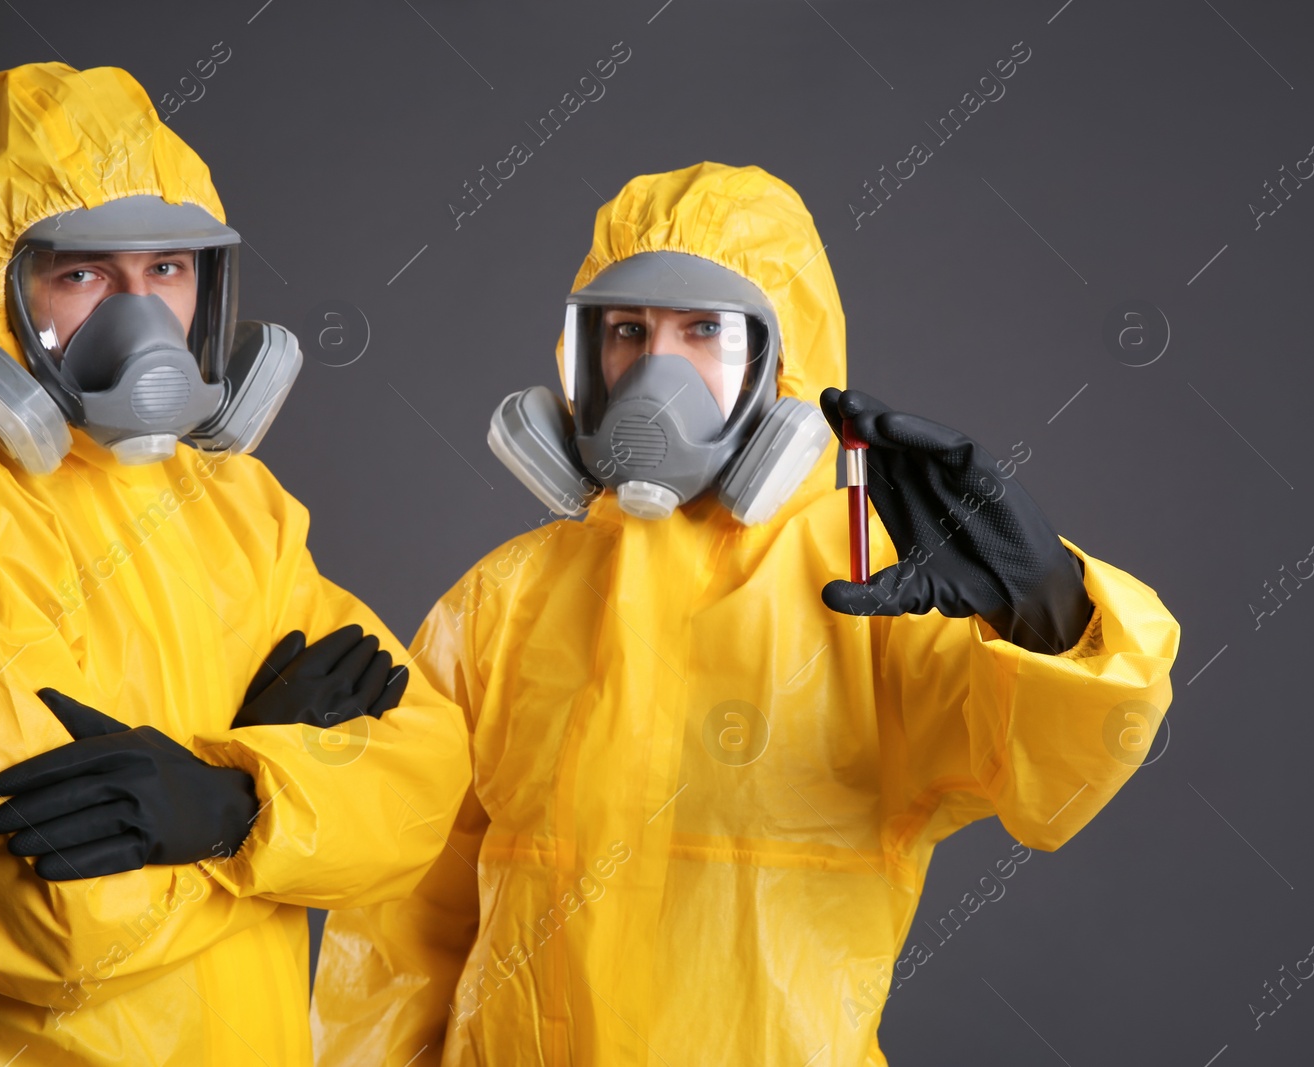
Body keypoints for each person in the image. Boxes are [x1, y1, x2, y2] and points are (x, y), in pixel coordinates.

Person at [309, 162, 1181, 1066]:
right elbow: (401, 917)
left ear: (785, 360)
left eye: (705, 331)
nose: (658, 370)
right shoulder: (500, 604)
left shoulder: (880, 593)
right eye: (626, 331)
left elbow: (1057, 782)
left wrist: (1049, 608)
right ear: (583, 357)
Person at [0, 62, 470, 1066]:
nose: (141, 316)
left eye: (168, 269)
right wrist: (287, 780)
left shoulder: (235, 503)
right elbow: (62, 919)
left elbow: (423, 785)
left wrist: (223, 800)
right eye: (84, 273)